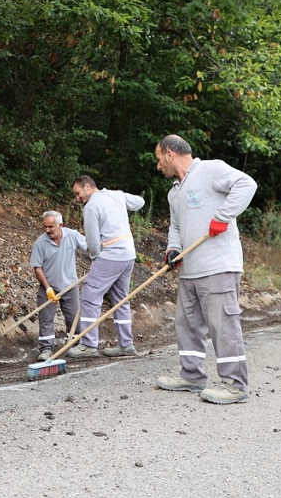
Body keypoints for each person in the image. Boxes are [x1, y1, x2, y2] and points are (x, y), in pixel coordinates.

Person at [154, 134, 257, 404]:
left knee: (223, 325)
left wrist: (223, 217)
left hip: (218, 266)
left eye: (158, 159)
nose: (157, 166)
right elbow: (175, 227)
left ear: (169, 154)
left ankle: (235, 385)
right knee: (186, 325)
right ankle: (191, 376)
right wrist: (173, 249)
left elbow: (247, 184)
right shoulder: (174, 192)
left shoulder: (210, 169)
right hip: (190, 269)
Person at [69, 175, 145, 358]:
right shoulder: (115, 195)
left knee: (89, 297)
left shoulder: (91, 206)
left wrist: (96, 257)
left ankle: (88, 344)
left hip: (111, 254)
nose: (77, 198)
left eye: (78, 193)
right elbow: (140, 202)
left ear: (87, 186)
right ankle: (126, 344)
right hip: (128, 255)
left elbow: (93, 242)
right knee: (121, 299)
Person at [29, 211, 87, 361]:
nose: (47, 230)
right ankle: (46, 349)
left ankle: (76, 345)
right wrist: (48, 288)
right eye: (45, 227)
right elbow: (37, 267)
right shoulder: (41, 242)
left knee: (74, 318)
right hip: (49, 287)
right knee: (46, 319)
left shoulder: (72, 236)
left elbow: (90, 246)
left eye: (50, 226)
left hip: (70, 286)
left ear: (60, 225)